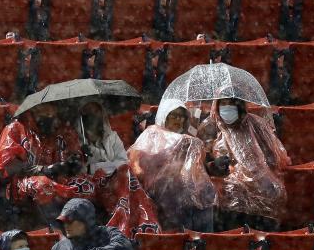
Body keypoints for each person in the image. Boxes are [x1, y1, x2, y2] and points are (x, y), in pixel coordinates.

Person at [198, 96, 291, 231]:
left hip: (259, 183)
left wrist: (252, 168)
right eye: (223, 103)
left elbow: (276, 157)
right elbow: (200, 163)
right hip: (226, 189)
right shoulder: (210, 128)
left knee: (271, 192)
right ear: (216, 106)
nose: (227, 107)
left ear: (239, 105)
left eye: (231, 103)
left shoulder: (256, 125)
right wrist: (214, 165)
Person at [128, 100, 217, 232]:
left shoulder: (186, 140)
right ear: (164, 115)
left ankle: (203, 240)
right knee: (178, 195)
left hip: (182, 189)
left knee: (204, 194)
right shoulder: (151, 133)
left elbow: (196, 171)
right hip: (157, 190)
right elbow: (137, 162)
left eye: (182, 116)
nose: (178, 120)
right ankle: (180, 238)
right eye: (173, 115)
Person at [74, 102, 161, 237]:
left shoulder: (112, 137)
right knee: (124, 175)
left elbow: (123, 162)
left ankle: (134, 222)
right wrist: (105, 164)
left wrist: (97, 159)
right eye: (89, 114)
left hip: (116, 180)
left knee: (125, 173)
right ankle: (125, 224)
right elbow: (82, 169)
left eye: (97, 113)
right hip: (94, 184)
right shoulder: (77, 140)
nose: (94, 118)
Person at [0, 103, 87, 224]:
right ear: (33, 108)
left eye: (52, 110)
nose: (49, 113)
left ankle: (86, 231)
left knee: (88, 184)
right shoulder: (16, 128)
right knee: (43, 185)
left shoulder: (63, 130)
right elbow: (9, 166)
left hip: (58, 179)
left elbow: (74, 163)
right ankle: (55, 230)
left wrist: (78, 158)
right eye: (44, 110)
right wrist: (41, 170)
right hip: (20, 183)